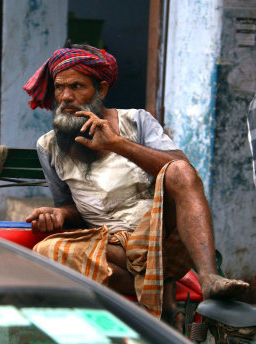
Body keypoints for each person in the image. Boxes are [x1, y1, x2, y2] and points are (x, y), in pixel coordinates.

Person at [23, 43, 249, 329]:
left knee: (177, 169)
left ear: (101, 89)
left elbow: (183, 173)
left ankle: (208, 277)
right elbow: (70, 210)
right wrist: (58, 215)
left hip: (160, 240)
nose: (66, 97)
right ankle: (160, 292)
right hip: (111, 248)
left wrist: (118, 144)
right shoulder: (48, 146)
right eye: (59, 87)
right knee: (48, 252)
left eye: (77, 86)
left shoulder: (137, 122)